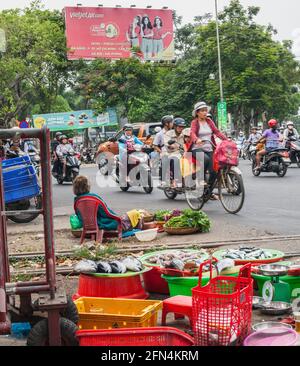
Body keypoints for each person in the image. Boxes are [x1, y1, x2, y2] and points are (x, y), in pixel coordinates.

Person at [73, 175, 143, 232]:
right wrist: (118, 217)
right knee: (135, 213)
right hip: (103, 224)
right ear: (87, 186)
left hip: (86, 225)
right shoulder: (93, 197)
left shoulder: (76, 200)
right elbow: (107, 213)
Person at [189, 101, 227, 197]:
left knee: (214, 171)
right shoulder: (194, 122)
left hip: (210, 148)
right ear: (197, 112)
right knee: (204, 158)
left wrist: (227, 140)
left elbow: (217, 132)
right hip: (197, 148)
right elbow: (192, 133)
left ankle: (208, 192)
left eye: (206, 110)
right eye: (202, 111)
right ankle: (200, 179)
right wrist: (196, 139)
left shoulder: (209, 121)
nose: (205, 112)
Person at [164, 117, 186, 188]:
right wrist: (172, 146)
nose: (181, 129)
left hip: (183, 153)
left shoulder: (184, 134)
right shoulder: (168, 134)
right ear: (175, 126)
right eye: (179, 127)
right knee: (175, 160)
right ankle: (173, 180)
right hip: (171, 153)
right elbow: (167, 144)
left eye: (182, 127)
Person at [153, 115, 174, 188]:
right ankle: (162, 181)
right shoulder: (159, 134)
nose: (172, 124)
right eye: (171, 123)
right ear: (166, 123)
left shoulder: (174, 132)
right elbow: (155, 145)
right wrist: (161, 152)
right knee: (165, 162)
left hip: (175, 150)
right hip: (164, 151)